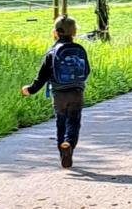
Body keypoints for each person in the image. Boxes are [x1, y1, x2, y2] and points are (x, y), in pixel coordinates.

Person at [22, 15, 91, 168]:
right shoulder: (79, 50)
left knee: (61, 123)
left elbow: (41, 77)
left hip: (59, 95)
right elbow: (87, 71)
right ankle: (69, 144)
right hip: (77, 93)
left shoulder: (52, 52)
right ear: (74, 32)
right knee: (73, 122)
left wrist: (30, 90)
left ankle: (62, 152)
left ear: (55, 33)